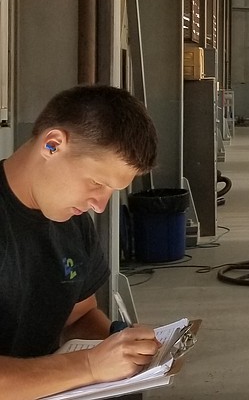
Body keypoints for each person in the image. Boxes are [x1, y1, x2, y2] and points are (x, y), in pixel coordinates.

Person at [0, 85, 162, 399]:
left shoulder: (73, 224)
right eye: (96, 183)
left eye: (111, 191)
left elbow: (79, 314)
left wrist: (123, 355)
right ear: (52, 145)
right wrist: (89, 365)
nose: (99, 205)